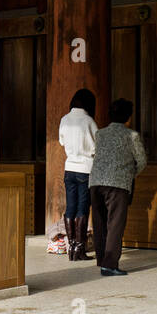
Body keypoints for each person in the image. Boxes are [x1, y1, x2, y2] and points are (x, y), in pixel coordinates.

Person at [88, 98, 147, 277]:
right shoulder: (132, 136)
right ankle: (110, 264)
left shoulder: (100, 134)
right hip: (118, 184)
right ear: (128, 117)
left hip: (96, 182)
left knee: (100, 223)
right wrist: (130, 175)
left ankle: (102, 260)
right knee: (115, 224)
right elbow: (142, 161)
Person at [58, 88, 97, 261]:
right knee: (82, 208)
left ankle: (71, 247)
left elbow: (61, 141)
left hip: (69, 168)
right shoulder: (89, 121)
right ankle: (80, 249)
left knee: (70, 208)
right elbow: (97, 146)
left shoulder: (65, 120)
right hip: (85, 169)